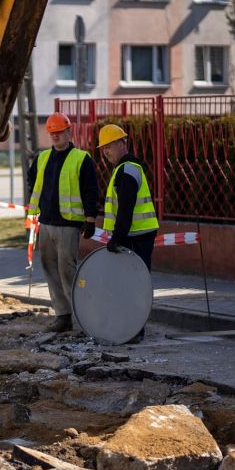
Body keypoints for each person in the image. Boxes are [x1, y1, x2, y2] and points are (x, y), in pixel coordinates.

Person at [27, 112, 100, 332]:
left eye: (59, 132)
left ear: (69, 132)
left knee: (67, 271)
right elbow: (33, 181)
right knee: (50, 270)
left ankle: (84, 318)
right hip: (47, 222)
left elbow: (90, 190)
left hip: (69, 224)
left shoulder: (81, 158)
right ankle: (63, 316)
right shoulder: (42, 157)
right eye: (52, 133)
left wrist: (90, 219)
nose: (56, 136)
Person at [98, 124, 159, 342]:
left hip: (137, 236)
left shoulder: (127, 170)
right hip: (136, 235)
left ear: (123, 143)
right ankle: (131, 328)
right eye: (103, 148)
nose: (106, 152)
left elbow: (126, 207)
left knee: (134, 285)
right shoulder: (123, 169)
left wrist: (118, 237)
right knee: (130, 284)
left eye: (110, 146)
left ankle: (135, 330)